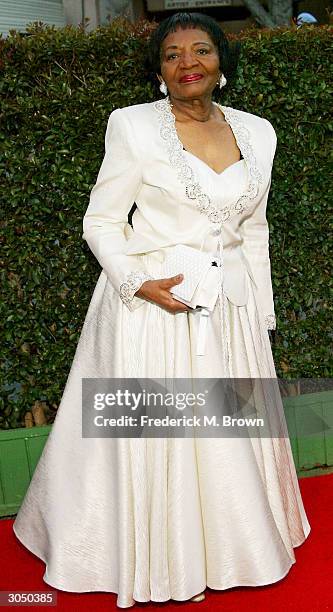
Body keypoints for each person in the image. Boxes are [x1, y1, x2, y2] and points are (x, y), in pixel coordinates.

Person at [13, 12, 311, 609]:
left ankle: (235, 543)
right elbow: (101, 221)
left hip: (231, 311)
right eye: (173, 54)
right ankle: (152, 554)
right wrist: (136, 282)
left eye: (200, 50)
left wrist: (261, 314)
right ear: (159, 70)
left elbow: (255, 230)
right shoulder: (133, 127)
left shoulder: (259, 132)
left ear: (221, 62)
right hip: (156, 310)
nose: (188, 63)